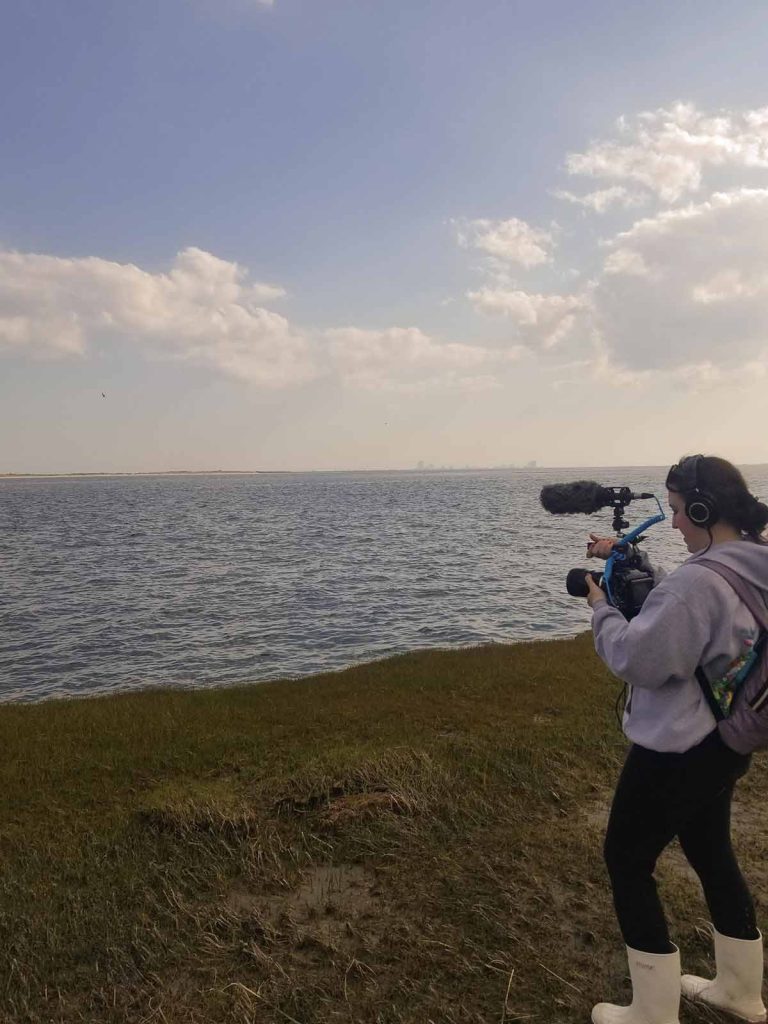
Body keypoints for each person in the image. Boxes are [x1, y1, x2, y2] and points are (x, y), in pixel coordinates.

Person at [583, 454, 768, 1024]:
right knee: (711, 852)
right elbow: (702, 607)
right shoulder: (752, 562)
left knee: (627, 859)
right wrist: (634, 565)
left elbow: (640, 657)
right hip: (728, 741)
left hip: (676, 748)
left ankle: (652, 1012)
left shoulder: (696, 584)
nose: (676, 524)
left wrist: (599, 608)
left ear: (705, 508)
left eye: (682, 512)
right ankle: (741, 993)